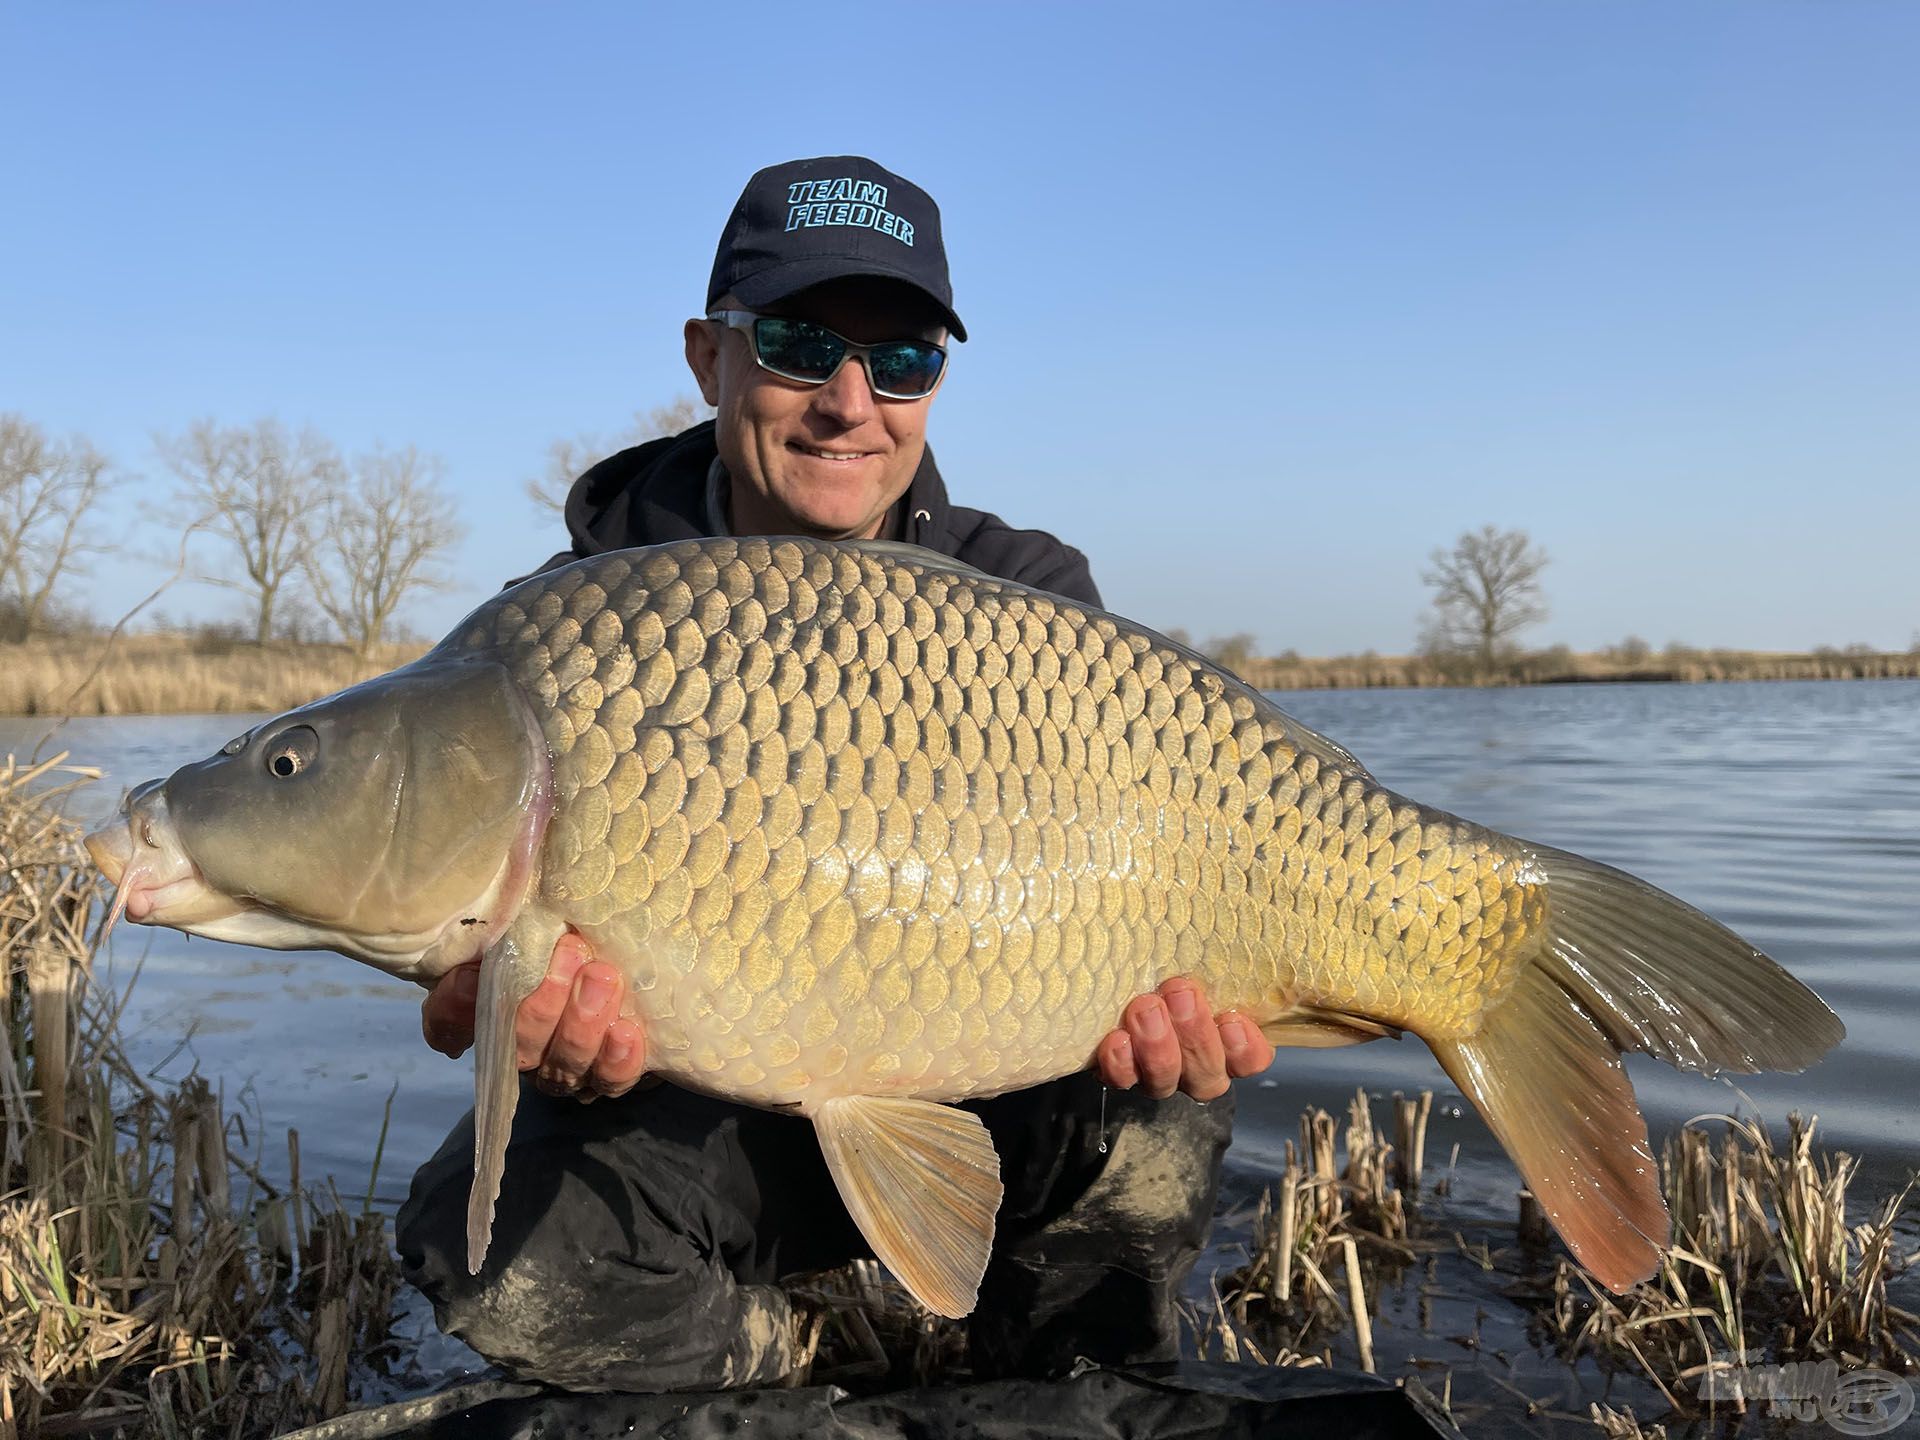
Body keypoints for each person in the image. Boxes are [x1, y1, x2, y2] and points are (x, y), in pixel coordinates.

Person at [396, 156, 1276, 1392]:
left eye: (903, 358)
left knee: (1159, 1119)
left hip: (984, 1094)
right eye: (803, 345)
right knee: (496, 1244)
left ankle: (1052, 1381)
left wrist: (1186, 1004)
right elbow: (455, 994)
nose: (851, 402)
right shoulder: (557, 636)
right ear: (711, 360)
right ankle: (773, 1370)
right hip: (704, 1131)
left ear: (936, 383)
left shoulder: (1032, 602)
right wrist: (504, 1026)